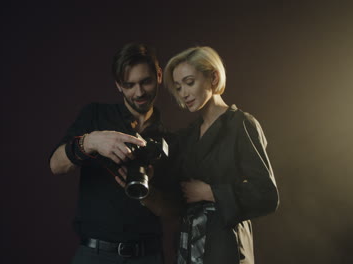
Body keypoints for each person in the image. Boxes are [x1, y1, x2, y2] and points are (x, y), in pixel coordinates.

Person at [49, 43, 178, 264]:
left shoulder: (171, 140)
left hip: (147, 256)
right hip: (94, 254)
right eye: (129, 85)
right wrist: (90, 142)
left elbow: (174, 211)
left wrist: (148, 195)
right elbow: (56, 165)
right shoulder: (95, 115)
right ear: (118, 85)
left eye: (145, 81)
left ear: (158, 75)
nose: (139, 93)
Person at [163, 46, 279, 264]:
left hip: (226, 245)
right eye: (178, 87)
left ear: (213, 78)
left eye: (189, 82)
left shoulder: (241, 124)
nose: (183, 93)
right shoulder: (187, 135)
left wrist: (211, 192)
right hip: (189, 245)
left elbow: (267, 195)